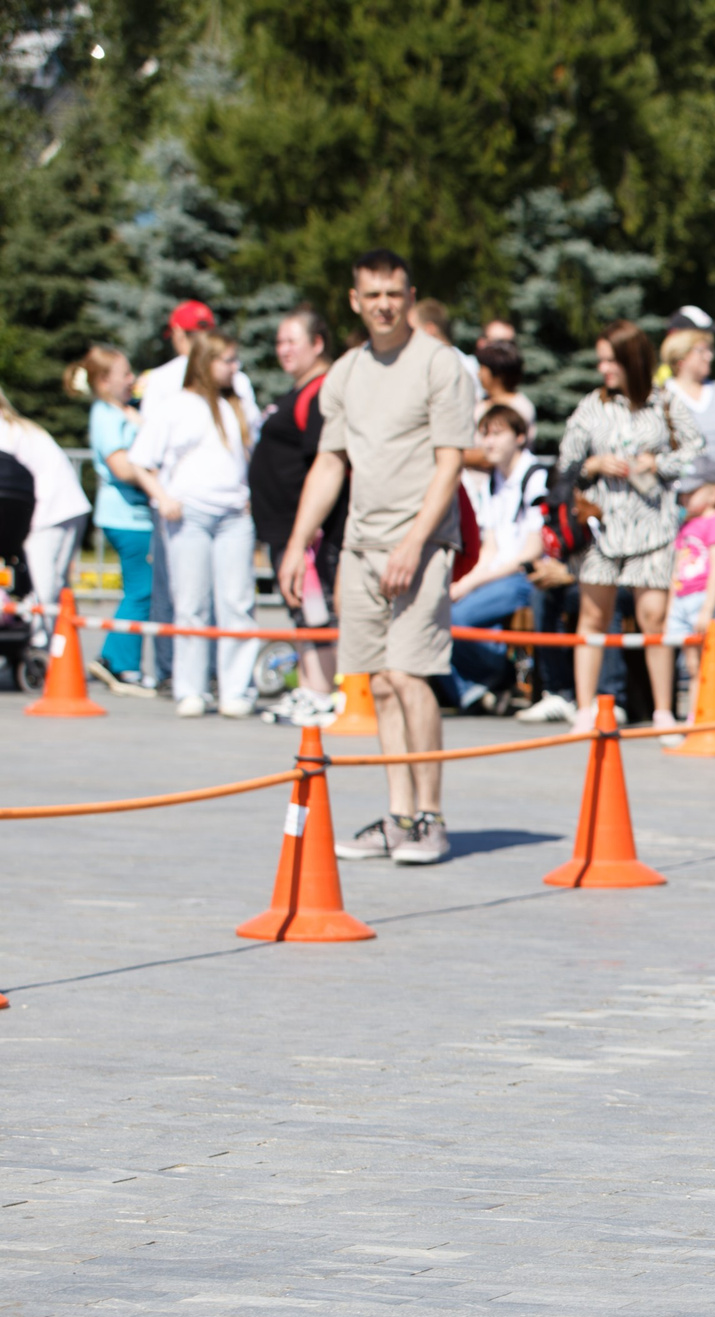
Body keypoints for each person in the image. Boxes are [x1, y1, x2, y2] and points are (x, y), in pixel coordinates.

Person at [281, 250, 475, 865]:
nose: (385, 305)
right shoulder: (344, 372)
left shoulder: (439, 366)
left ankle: (431, 817)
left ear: (410, 295)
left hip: (421, 544)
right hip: (360, 547)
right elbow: (331, 462)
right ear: (354, 300)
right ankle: (397, 816)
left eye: (395, 293)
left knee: (410, 677)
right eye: (373, 295)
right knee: (378, 686)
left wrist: (416, 543)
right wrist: (297, 542)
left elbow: (450, 461)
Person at [556, 318, 704, 736]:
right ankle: (584, 711)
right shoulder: (592, 406)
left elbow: (696, 450)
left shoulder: (665, 404)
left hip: (652, 526)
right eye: (601, 361)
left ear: (631, 360)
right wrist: (594, 464)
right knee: (592, 615)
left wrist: (658, 464)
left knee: (653, 617)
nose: (603, 369)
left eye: (611, 360)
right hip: (602, 528)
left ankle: (662, 713)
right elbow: (565, 463)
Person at [128, 334, 258, 718]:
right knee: (191, 603)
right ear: (206, 362)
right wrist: (163, 498)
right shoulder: (176, 407)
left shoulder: (237, 408)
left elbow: (248, 456)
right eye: (227, 361)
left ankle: (236, 687)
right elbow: (141, 460)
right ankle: (191, 687)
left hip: (234, 516)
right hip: (190, 516)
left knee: (237, 602)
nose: (234, 369)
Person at [249, 306, 345, 722]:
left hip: (306, 529)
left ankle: (322, 690)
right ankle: (308, 686)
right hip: (284, 526)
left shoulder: (321, 392)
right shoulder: (295, 393)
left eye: (293, 341)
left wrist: (305, 530)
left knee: (315, 609)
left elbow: (323, 464)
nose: (283, 350)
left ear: (318, 343)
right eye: (279, 342)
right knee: (299, 608)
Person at [63, 346, 157, 693]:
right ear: (104, 380)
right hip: (127, 516)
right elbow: (120, 466)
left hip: (136, 514)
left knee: (140, 588)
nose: (131, 379)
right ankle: (121, 664)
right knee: (141, 589)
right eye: (125, 373)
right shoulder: (105, 415)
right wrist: (156, 474)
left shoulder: (123, 410)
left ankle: (113, 658)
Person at [449, 404, 553, 714]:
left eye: (497, 434)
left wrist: (471, 585)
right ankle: (479, 690)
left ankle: (500, 676)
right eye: (484, 435)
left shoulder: (536, 476)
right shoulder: (493, 480)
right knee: (442, 610)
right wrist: (464, 584)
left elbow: (530, 552)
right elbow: (490, 550)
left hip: (525, 576)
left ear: (520, 437)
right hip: (497, 574)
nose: (488, 443)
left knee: (456, 620)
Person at [0, 385, 91, 643]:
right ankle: (60, 643)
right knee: (57, 585)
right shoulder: (20, 427)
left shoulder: (7, 431)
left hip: (48, 509)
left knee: (44, 585)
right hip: (68, 504)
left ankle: (44, 642)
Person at [666, 479, 715, 732]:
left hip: (704, 599)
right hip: (683, 599)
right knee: (693, 665)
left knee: (714, 663)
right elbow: (677, 569)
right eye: (683, 494)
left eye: (692, 493)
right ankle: (697, 715)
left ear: (713, 493)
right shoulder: (687, 525)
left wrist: (707, 609)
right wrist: (671, 609)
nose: (685, 499)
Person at [661, 326, 715, 490]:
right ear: (681, 355)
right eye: (702, 351)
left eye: (710, 350)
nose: (709, 356)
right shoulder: (662, 398)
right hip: (682, 500)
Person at [473, 338, 534, 438]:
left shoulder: (520, 406)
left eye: (482, 369)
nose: (479, 374)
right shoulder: (481, 400)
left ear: (497, 374)